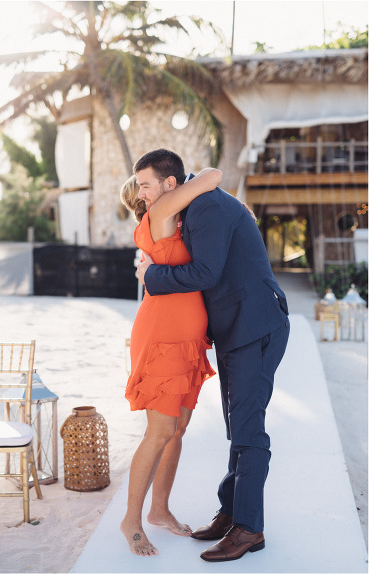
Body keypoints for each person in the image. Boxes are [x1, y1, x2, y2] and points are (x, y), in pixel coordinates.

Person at [135, 148, 289, 562]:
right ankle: (231, 511)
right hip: (237, 327)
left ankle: (249, 528)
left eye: (147, 184)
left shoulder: (205, 207)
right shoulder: (202, 202)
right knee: (237, 424)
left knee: (249, 430)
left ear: (171, 185)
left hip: (254, 325)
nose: (140, 193)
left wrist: (151, 275)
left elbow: (206, 273)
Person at [119, 167, 222, 556]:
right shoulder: (159, 214)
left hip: (188, 337)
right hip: (163, 336)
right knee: (160, 430)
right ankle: (131, 519)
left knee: (177, 428)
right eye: (143, 189)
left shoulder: (174, 224)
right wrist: (175, 185)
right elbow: (210, 175)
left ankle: (159, 510)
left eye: (150, 187)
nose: (148, 195)